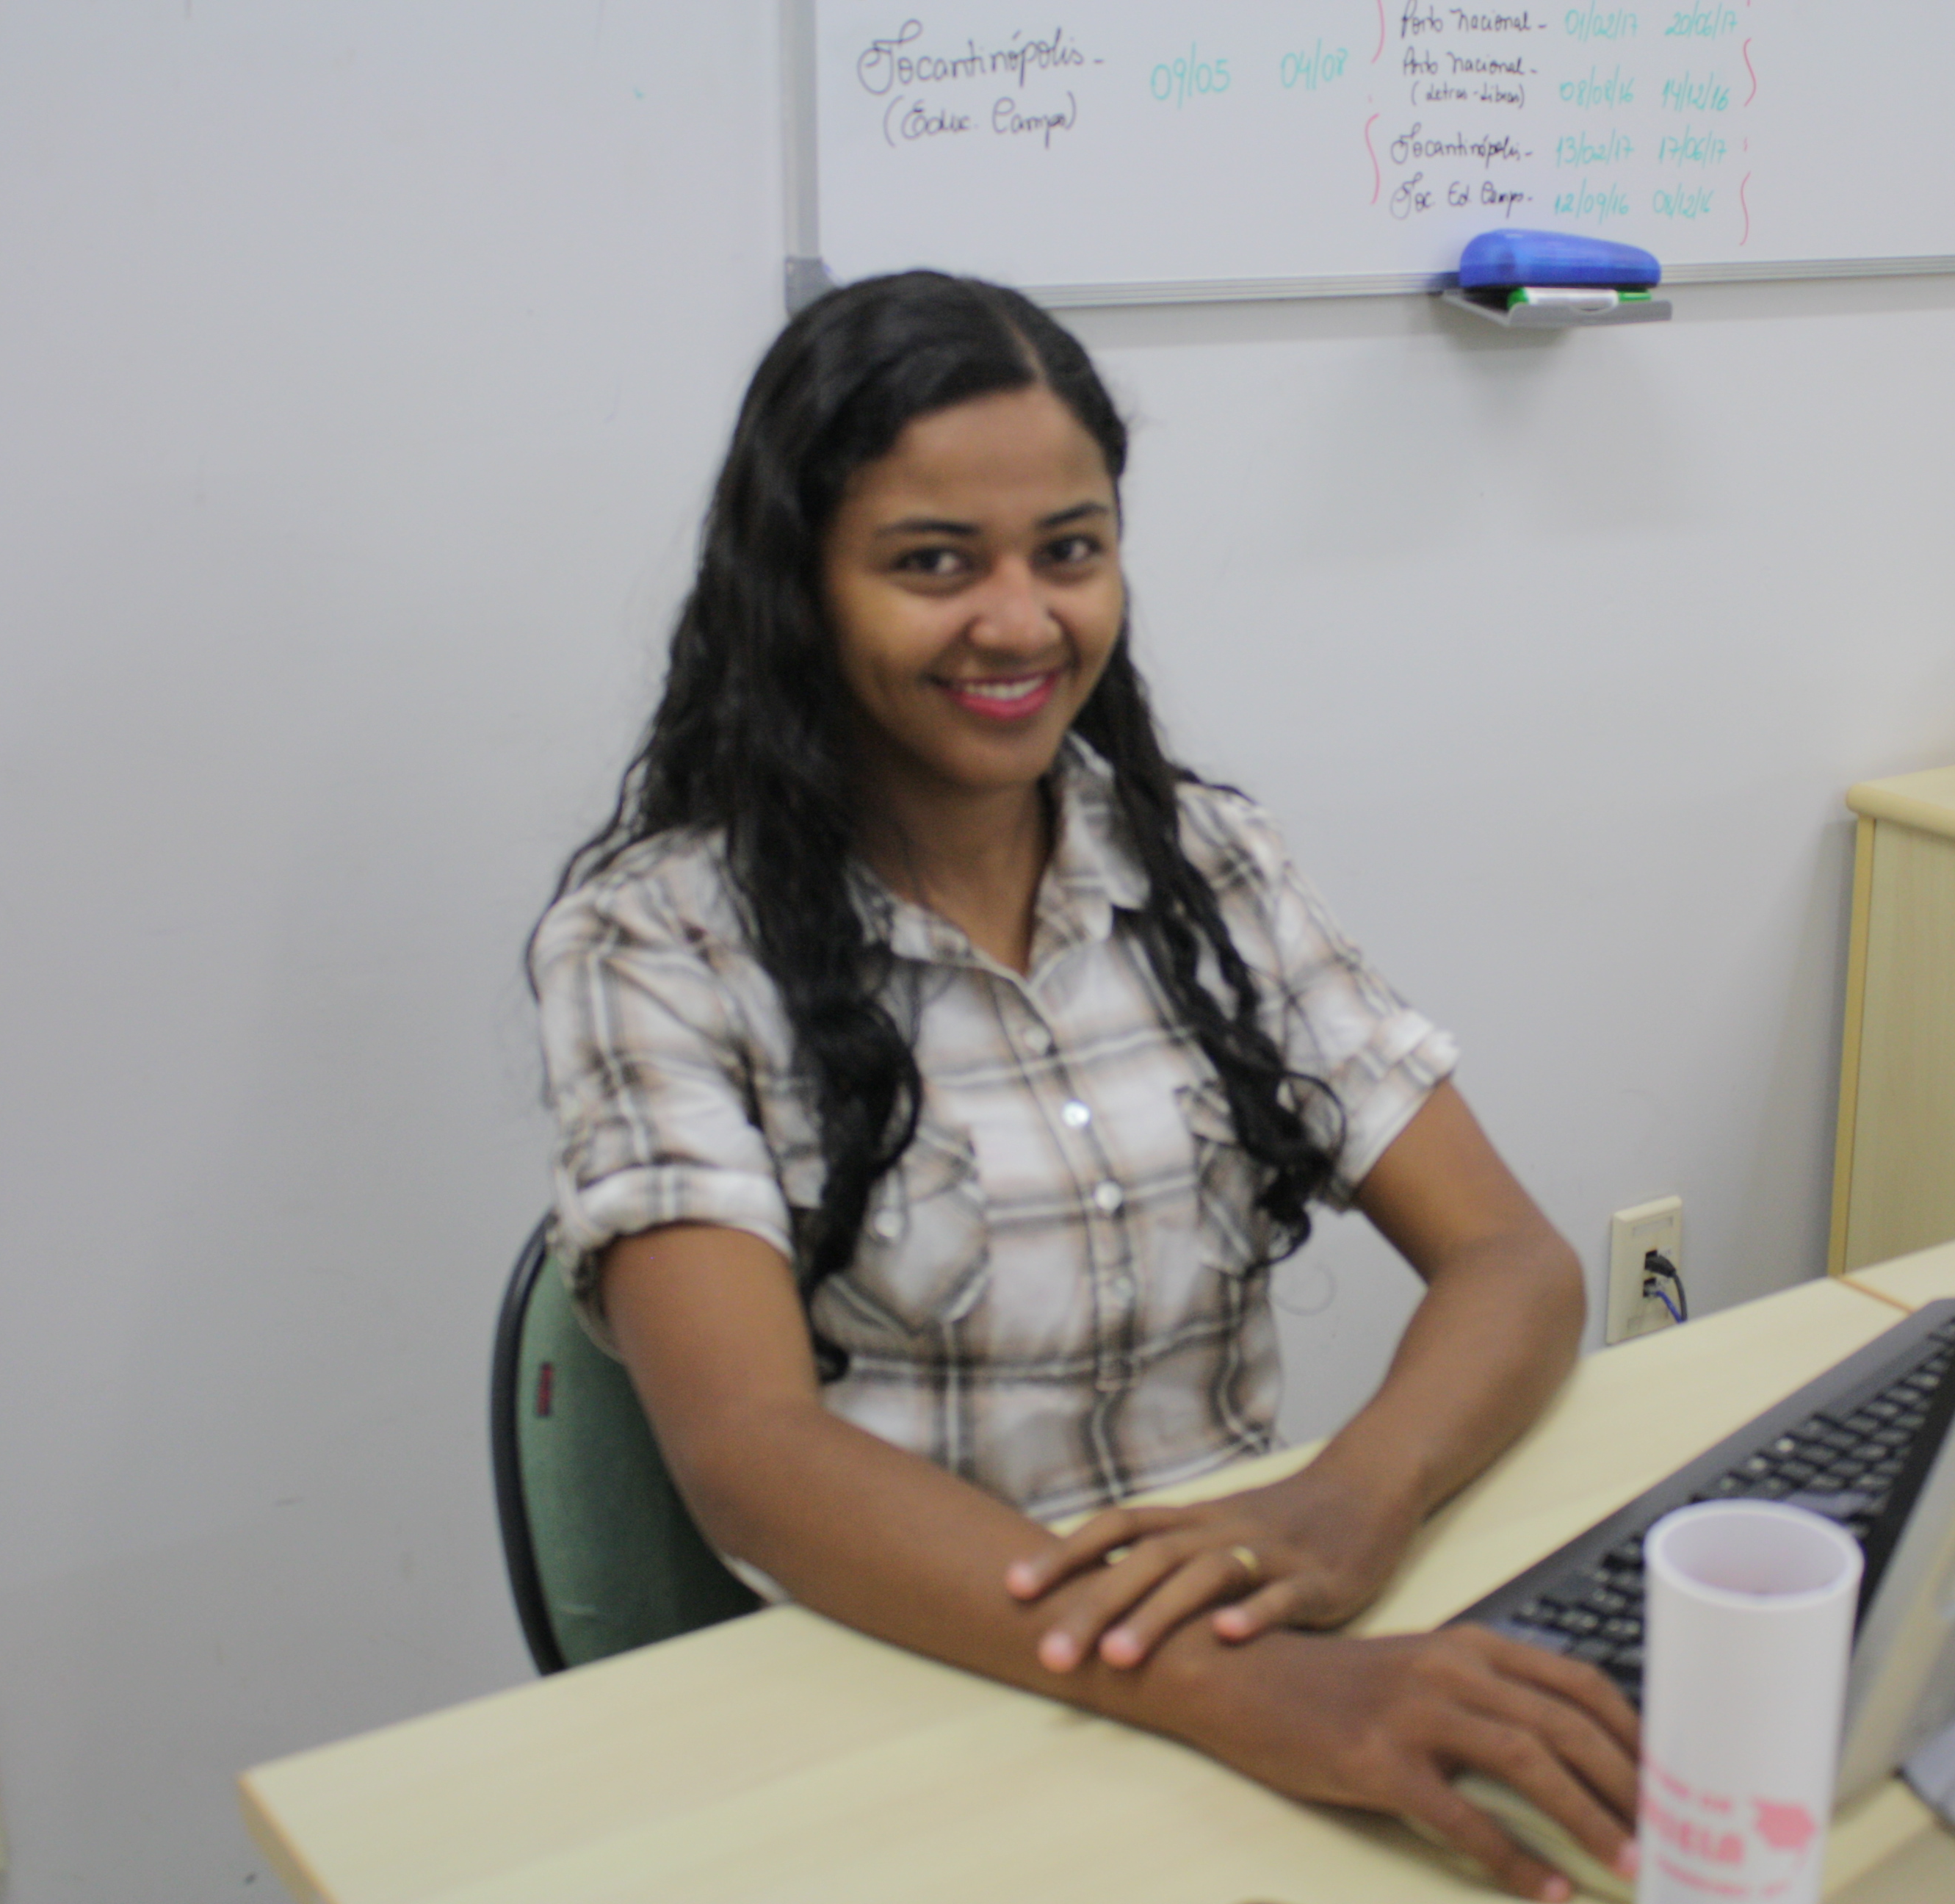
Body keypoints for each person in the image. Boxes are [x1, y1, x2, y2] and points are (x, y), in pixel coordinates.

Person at [530, 271, 1636, 1900]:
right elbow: (751, 1451)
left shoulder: (1201, 860)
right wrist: (1239, 1694)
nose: (1021, 620)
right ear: (798, 590)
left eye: (1070, 549)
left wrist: (1354, 1498)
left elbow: (1516, 1262)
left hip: (1267, 1641)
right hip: (926, 1695)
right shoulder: (656, 938)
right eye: (932, 564)